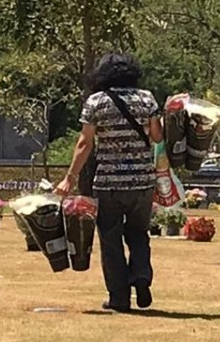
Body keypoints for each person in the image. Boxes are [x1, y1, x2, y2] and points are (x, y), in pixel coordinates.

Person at [56, 53, 163, 313]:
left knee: (110, 239)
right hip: (142, 182)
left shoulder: (96, 102)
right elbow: (158, 136)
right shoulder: (146, 98)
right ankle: (140, 275)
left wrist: (69, 177)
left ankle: (119, 298)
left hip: (108, 182)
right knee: (139, 234)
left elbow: (85, 143)